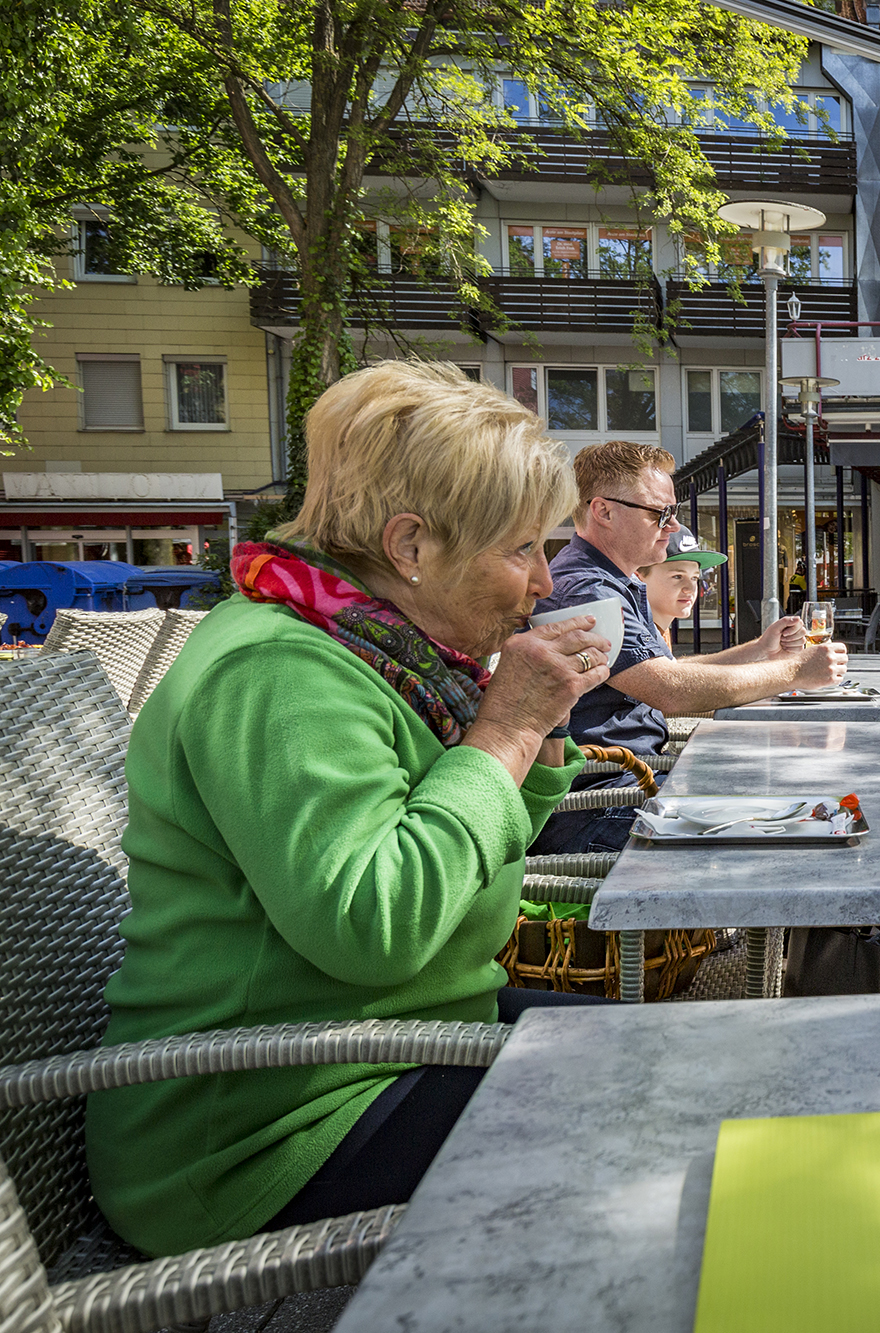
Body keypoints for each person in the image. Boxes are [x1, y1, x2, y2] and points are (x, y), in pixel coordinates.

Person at [87, 362, 616, 1258]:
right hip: (262, 1131)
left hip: (382, 1051)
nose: (542, 584)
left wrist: (538, 733)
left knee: (672, 1059)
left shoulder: (385, 651)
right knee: (655, 1120)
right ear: (411, 545)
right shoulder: (279, 671)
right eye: (521, 548)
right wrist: (502, 734)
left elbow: (478, 857)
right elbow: (372, 923)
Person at [531, 440, 846, 856]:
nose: (673, 526)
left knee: (799, 794)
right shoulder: (588, 589)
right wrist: (794, 672)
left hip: (633, 783)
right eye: (660, 513)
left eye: (673, 512)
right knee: (796, 820)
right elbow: (671, 690)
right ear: (603, 511)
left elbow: (663, 671)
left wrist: (758, 649)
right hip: (599, 804)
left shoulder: (612, 581)